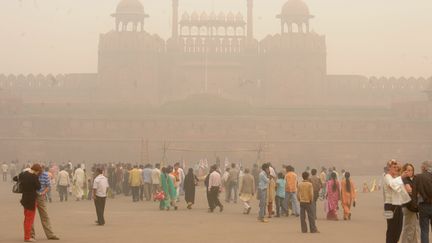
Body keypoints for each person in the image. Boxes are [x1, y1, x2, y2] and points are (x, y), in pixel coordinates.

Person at [384, 160, 411, 243]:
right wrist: (401, 177)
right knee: (392, 229)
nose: (396, 169)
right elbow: (392, 185)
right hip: (390, 206)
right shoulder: (387, 176)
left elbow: (402, 190)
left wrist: (400, 174)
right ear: (389, 168)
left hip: (398, 205)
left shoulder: (396, 178)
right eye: (394, 167)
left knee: (398, 229)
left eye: (397, 167)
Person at [31, 165, 60, 240]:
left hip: (40, 197)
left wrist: (43, 193)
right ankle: (31, 235)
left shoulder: (45, 175)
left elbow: (48, 186)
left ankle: (50, 234)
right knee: (31, 216)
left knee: (45, 216)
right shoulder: (32, 175)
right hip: (32, 197)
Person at [14, 164, 42, 242]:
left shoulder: (23, 174)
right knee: (29, 220)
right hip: (32, 200)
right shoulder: (34, 177)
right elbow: (39, 187)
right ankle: (27, 237)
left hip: (24, 199)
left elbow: (15, 178)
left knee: (26, 218)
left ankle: (27, 236)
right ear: (37, 170)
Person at [412, 161, 432, 243]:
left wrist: (414, 206)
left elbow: (414, 192)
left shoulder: (418, 177)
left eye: (421, 167)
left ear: (424, 168)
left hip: (423, 206)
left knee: (424, 230)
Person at [400, 163, 420, 243]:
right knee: (409, 227)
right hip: (408, 206)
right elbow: (409, 190)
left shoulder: (411, 179)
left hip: (412, 206)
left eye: (411, 170)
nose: (410, 172)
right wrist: (418, 193)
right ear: (404, 171)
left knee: (413, 226)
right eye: (408, 170)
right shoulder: (405, 179)